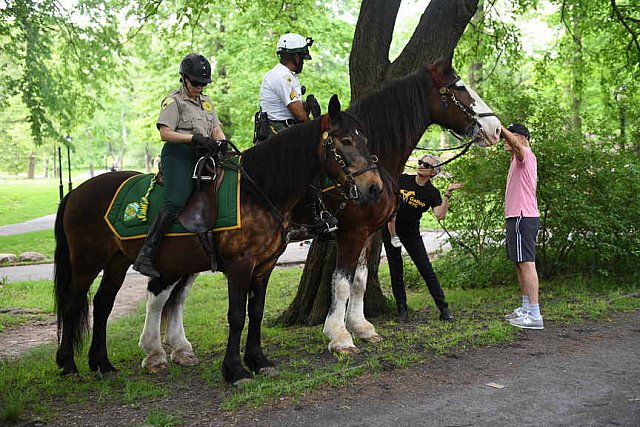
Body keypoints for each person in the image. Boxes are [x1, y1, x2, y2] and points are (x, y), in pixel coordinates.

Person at [133, 53, 226, 278]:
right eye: (196, 82)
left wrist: (222, 144)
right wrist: (193, 138)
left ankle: (213, 250)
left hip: (205, 152)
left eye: (204, 83)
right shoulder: (173, 101)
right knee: (176, 200)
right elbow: (165, 133)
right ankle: (146, 254)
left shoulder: (206, 102)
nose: (200, 87)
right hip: (179, 154)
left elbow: (216, 130)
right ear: (183, 78)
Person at [381, 155, 462, 322]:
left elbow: (439, 214)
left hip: (411, 233)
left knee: (426, 269)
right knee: (396, 270)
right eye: (420, 162)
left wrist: (447, 195)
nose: (421, 165)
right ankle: (401, 310)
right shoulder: (402, 179)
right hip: (391, 229)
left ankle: (444, 309)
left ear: (433, 173)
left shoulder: (431, 193)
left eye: (426, 165)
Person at [501, 123, 543, 330]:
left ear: (523, 138)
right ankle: (526, 308)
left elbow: (516, 145)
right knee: (519, 263)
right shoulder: (516, 160)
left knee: (527, 263)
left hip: (522, 216)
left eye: (509, 136)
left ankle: (535, 314)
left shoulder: (525, 152)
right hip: (516, 217)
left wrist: (497, 126)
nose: (504, 141)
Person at [258, 32, 320, 135]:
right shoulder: (283, 77)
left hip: (282, 130)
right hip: (279, 133)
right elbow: (301, 117)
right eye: (302, 58)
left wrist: (306, 105)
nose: (303, 62)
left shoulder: (282, 74)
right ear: (296, 57)